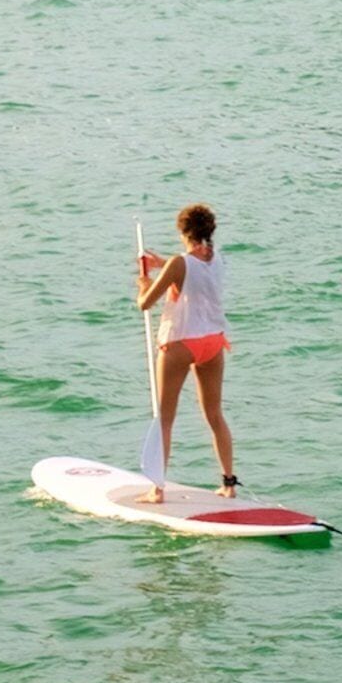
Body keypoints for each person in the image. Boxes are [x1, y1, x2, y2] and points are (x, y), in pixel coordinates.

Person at [133, 203, 236, 503]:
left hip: (181, 343)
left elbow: (145, 303)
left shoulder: (179, 263)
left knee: (164, 418)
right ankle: (229, 484)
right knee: (215, 414)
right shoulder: (217, 259)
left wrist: (144, 283)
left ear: (183, 233)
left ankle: (157, 489)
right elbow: (195, 274)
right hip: (213, 344)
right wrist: (163, 265)